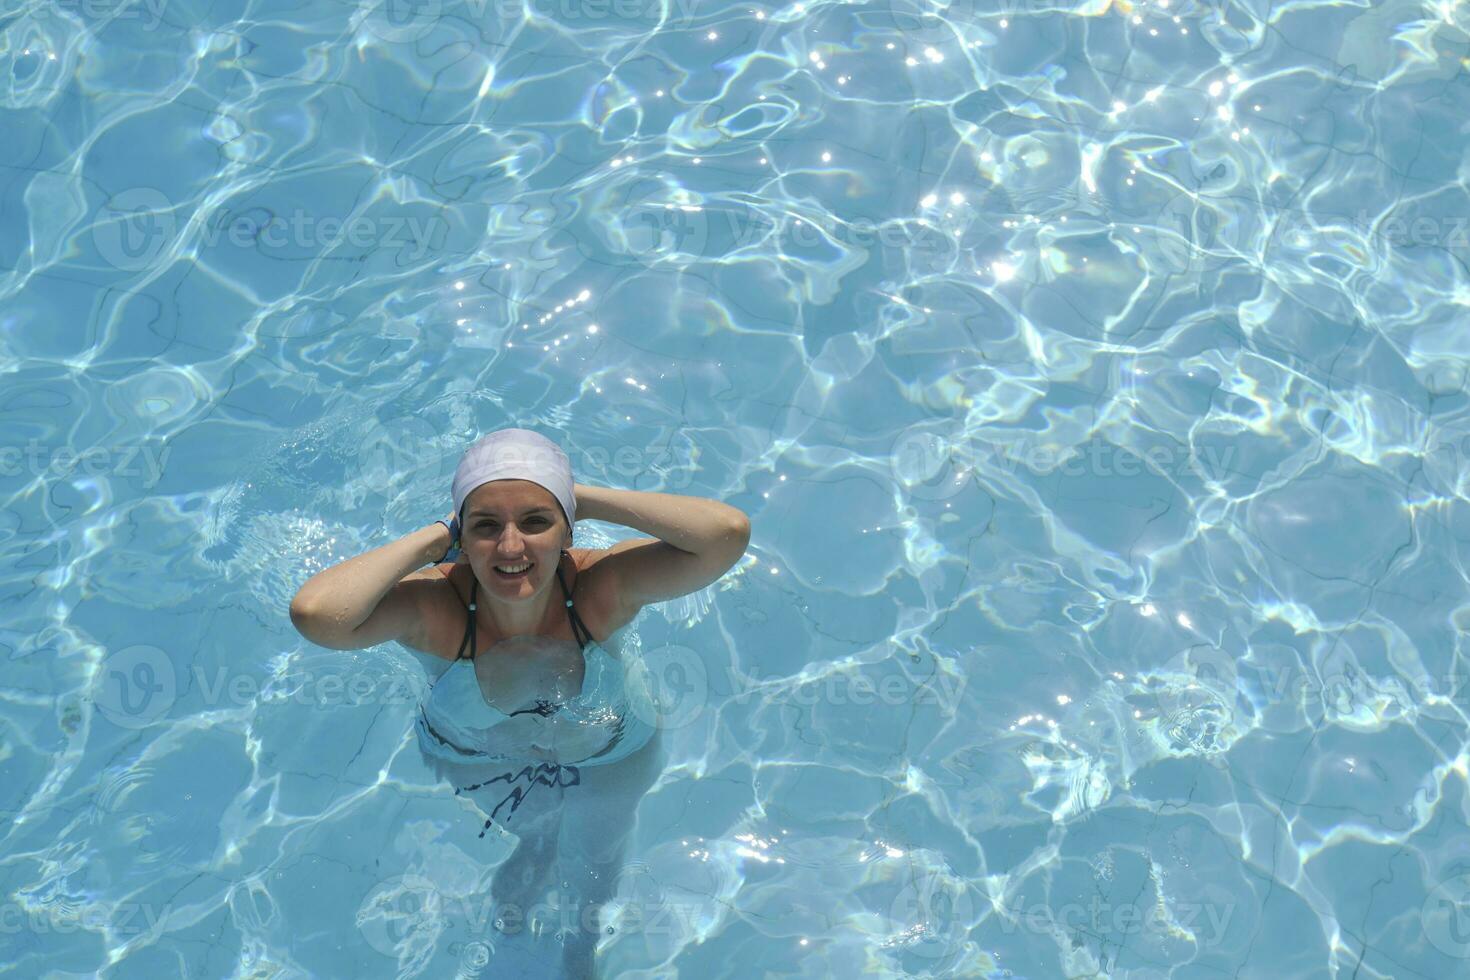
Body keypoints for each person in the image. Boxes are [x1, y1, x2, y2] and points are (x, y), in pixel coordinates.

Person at [288, 428, 750, 975]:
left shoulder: (602, 587)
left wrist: (581, 497)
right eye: (486, 527)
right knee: (537, 833)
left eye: (537, 521)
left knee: (599, 867)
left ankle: (582, 949)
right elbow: (317, 614)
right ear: (462, 535)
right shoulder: (436, 609)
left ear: (566, 528)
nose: (511, 548)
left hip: (615, 754)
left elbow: (726, 534)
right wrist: (437, 536)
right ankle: (536, 850)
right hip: (482, 761)